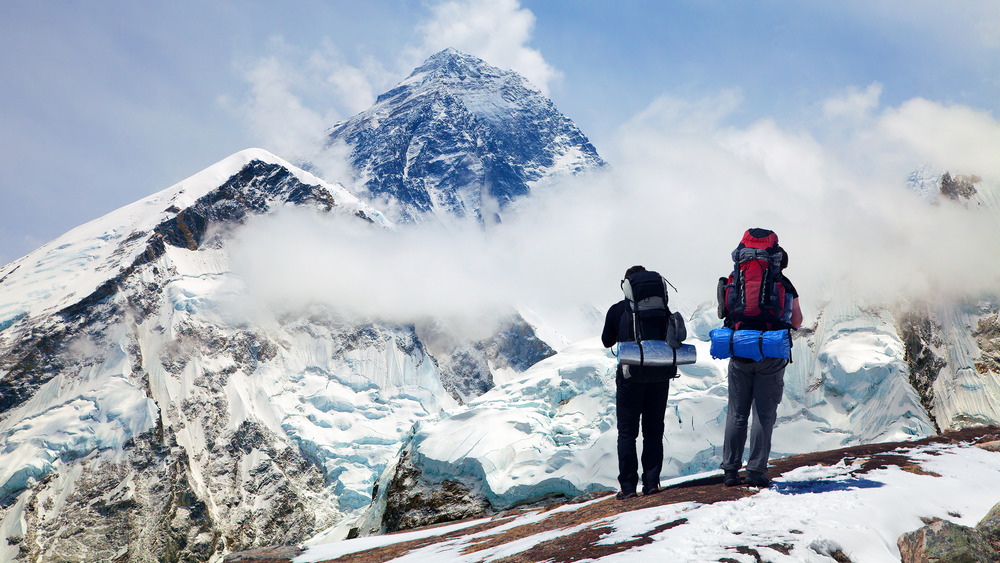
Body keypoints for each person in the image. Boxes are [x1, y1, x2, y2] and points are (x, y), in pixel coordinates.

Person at [718, 229, 803, 488]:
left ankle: (731, 471)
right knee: (763, 415)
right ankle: (755, 472)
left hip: (740, 350)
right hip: (770, 352)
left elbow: (724, 312)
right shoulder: (784, 284)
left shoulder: (734, 279)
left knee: (736, 414)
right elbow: (797, 321)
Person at [601, 265, 676, 499]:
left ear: (627, 285)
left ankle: (627, 488)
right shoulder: (662, 309)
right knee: (653, 431)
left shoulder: (617, 310)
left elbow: (606, 341)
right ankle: (652, 483)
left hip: (630, 378)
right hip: (659, 376)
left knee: (627, 434)